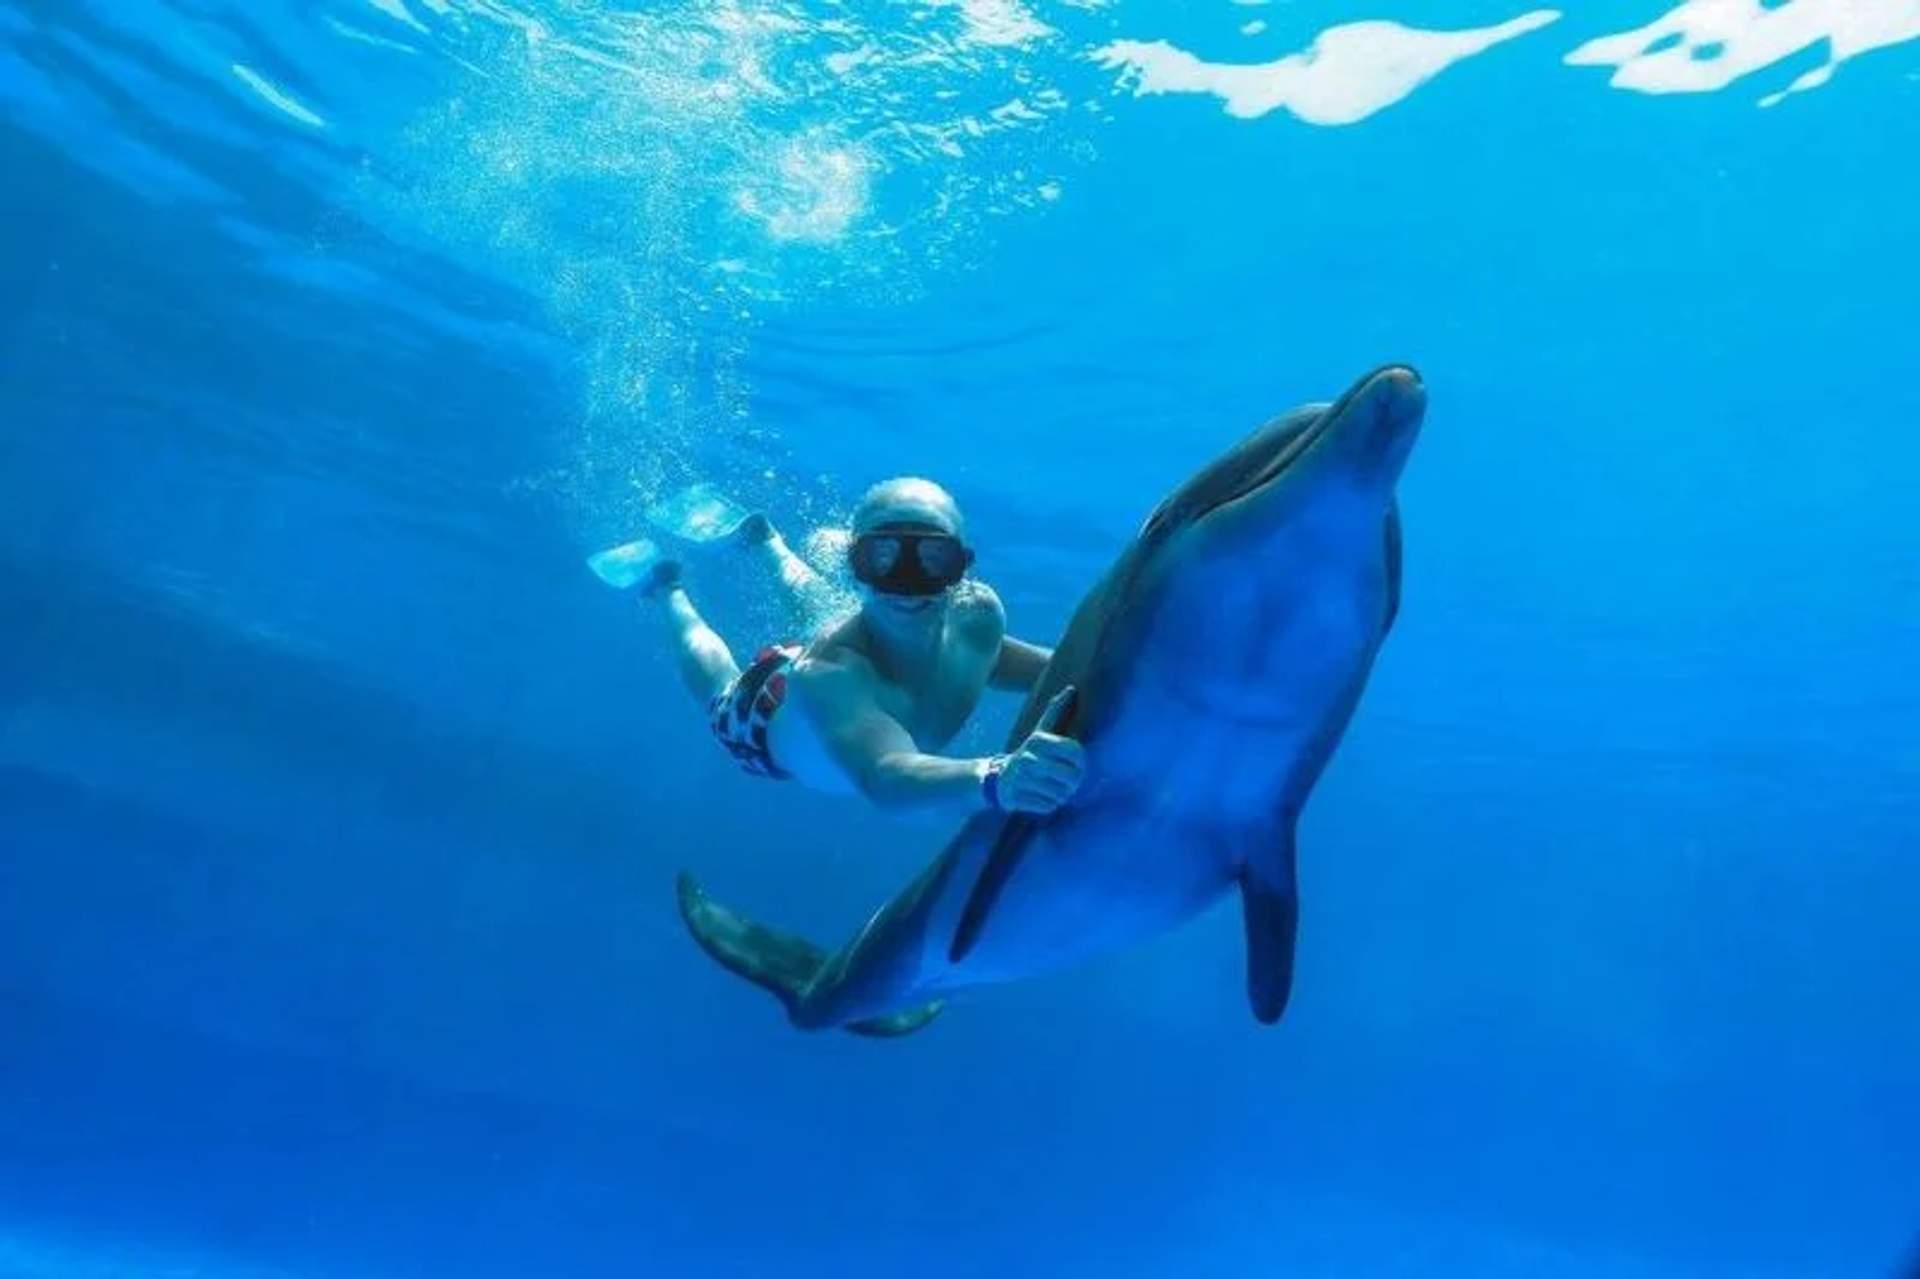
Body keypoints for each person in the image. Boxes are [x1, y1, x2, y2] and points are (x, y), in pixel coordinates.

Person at [638, 477, 1085, 816]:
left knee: (824, 610)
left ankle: (768, 542)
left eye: (931, 559)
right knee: (716, 686)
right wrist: (994, 778)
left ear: (961, 566)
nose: (906, 584)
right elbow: (884, 773)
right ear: (857, 565)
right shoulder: (827, 675)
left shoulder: (978, 615)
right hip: (759, 715)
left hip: (846, 650)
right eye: (883, 558)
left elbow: (994, 658)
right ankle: (667, 589)